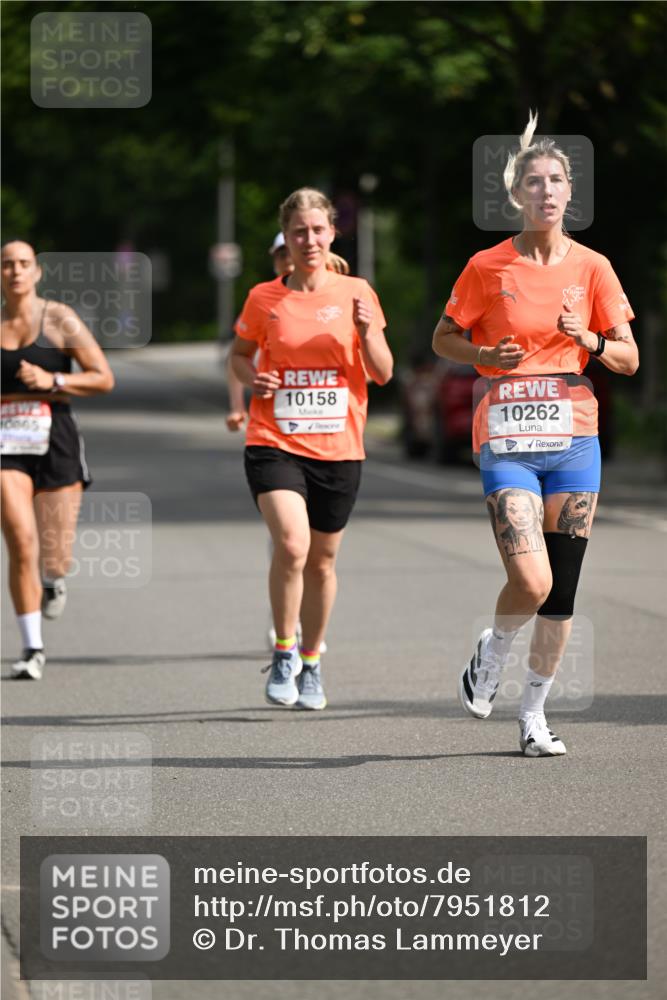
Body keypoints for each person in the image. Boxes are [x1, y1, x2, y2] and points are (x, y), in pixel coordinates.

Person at [432, 112, 639, 756]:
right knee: (531, 579)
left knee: (564, 589)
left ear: (570, 192)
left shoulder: (594, 269)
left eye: (556, 181)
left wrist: (590, 340)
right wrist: (482, 357)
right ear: (516, 195)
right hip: (507, 437)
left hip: (576, 440)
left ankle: (534, 716)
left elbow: (629, 358)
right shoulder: (486, 266)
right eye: (534, 183)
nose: (545, 192)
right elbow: (443, 339)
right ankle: (491, 653)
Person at [230, 187, 393, 709]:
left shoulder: (357, 292)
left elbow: (384, 373)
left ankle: (313, 658)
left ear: (332, 233)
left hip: (339, 446)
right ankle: (283, 650)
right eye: (299, 232)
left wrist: (367, 334)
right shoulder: (264, 298)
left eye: (318, 230)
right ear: (287, 236)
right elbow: (238, 356)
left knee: (322, 562)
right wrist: (254, 380)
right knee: (294, 545)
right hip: (274, 440)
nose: (309, 240)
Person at [1, 240, 115, 679]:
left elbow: (104, 377)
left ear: (37, 272)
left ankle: (53, 579)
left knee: (54, 552)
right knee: (19, 538)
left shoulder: (59, 319)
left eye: (23, 264)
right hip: (5, 440)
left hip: (56, 436)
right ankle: (32, 647)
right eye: (7, 264)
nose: (14, 271)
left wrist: (53, 378)